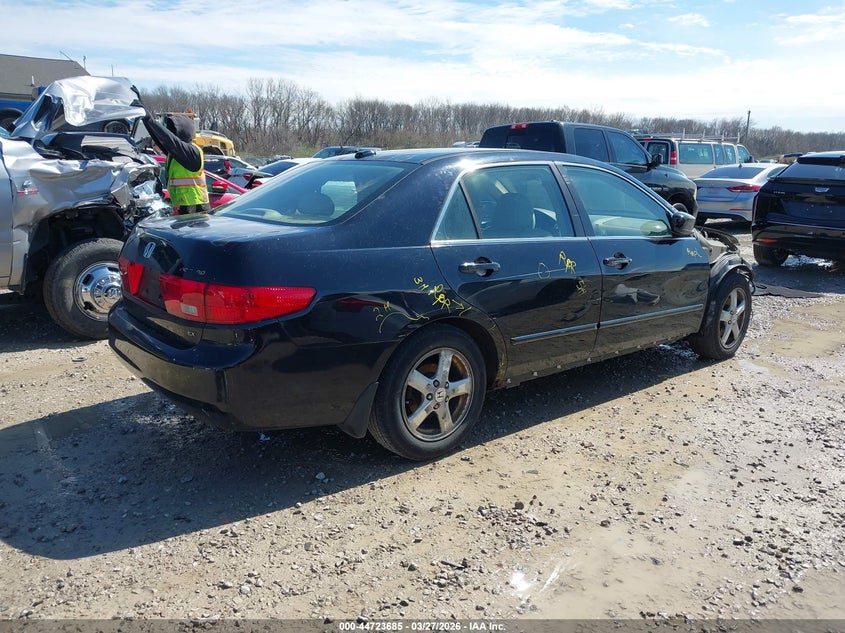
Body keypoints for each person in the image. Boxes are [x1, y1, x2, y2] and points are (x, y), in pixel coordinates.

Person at [143, 113, 210, 215]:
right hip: (184, 206)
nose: (171, 134)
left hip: (195, 207)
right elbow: (161, 139)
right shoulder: (176, 153)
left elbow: (170, 140)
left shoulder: (191, 152)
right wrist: (145, 120)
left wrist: (149, 119)